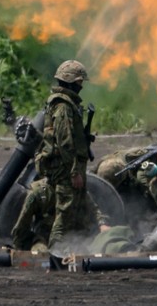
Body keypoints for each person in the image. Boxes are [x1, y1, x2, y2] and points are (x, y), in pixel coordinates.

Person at [33, 59, 93, 249]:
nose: (81, 86)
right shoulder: (64, 107)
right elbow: (65, 142)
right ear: (73, 83)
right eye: (79, 83)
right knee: (65, 212)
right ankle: (55, 254)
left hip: (65, 166)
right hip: (65, 169)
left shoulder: (63, 104)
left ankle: (74, 248)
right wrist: (74, 172)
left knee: (76, 211)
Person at [11, 177, 110, 253]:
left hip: (72, 236)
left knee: (82, 253)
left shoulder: (77, 190)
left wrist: (102, 224)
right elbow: (22, 225)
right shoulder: (39, 194)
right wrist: (18, 248)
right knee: (41, 254)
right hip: (46, 238)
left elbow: (94, 209)